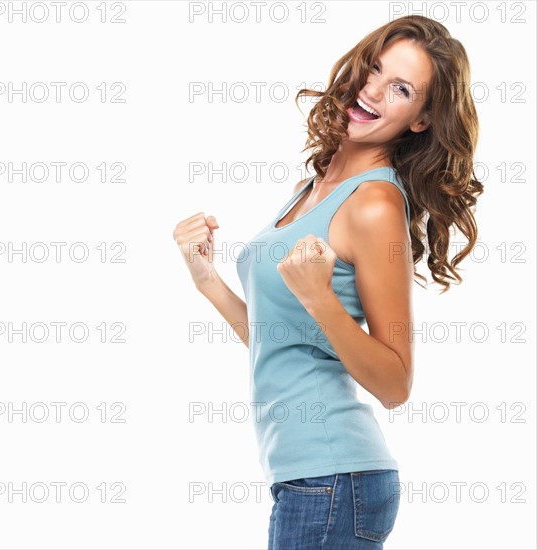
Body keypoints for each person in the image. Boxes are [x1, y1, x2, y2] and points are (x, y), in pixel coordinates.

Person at [173, 14, 483, 550]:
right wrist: (209, 281)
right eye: (376, 70)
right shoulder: (309, 188)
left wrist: (320, 298)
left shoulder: (375, 204)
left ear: (421, 119)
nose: (374, 91)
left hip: (334, 480)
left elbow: (396, 384)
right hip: (308, 479)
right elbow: (282, 338)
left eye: (401, 89)